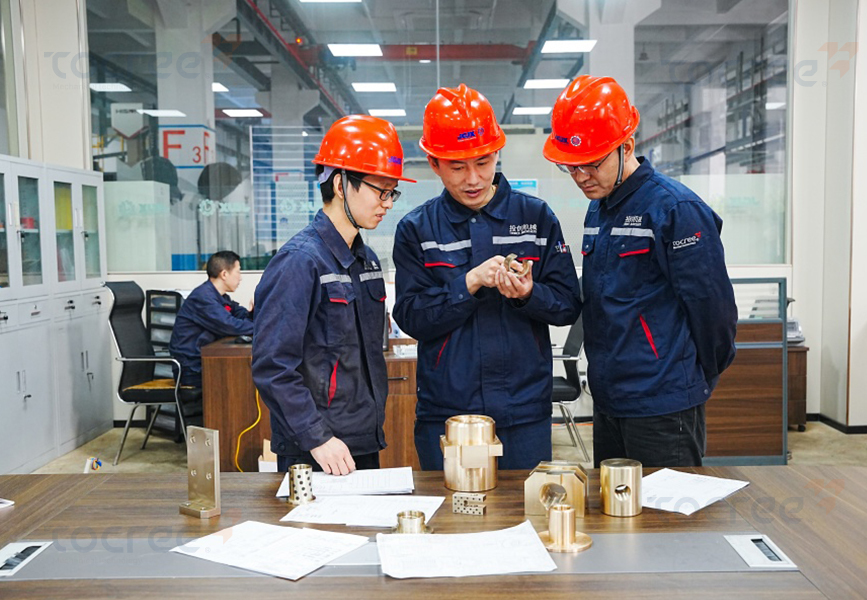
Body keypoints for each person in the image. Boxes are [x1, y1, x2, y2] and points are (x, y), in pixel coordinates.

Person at [543, 75, 738, 467]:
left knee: (667, 505)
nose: (581, 177)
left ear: (627, 146)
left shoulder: (675, 210)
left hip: (663, 404)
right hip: (609, 398)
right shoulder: (599, 208)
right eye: (571, 167)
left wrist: (688, 381)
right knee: (614, 504)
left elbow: (713, 310)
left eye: (591, 164)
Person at [393, 84, 581, 471]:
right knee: (452, 506)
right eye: (457, 167)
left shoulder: (536, 217)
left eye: (483, 162)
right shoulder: (417, 229)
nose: (473, 178)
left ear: (497, 153)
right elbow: (411, 317)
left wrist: (529, 293)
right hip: (447, 413)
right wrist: (467, 284)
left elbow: (567, 305)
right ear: (433, 163)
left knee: (523, 507)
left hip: (524, 412)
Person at [252, 115, 415, 475]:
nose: (388, 203)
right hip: (315, 448)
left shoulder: (366, 260)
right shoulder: (300, 262)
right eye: (381, 190)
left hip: (362, 438)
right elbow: (273, 366)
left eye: (392, 192)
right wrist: (317, 437)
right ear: (341, 184)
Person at [169, 250, 253, 388]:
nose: (240, 278)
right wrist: (262, 326)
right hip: (192, 369)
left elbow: (239, 313)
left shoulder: (219, 297)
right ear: (224, 274)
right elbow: (231, 326)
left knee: (245, 376)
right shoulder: (203, 298)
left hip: (204, 363)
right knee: (241, 380)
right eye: (238, 272)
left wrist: (256, 310)